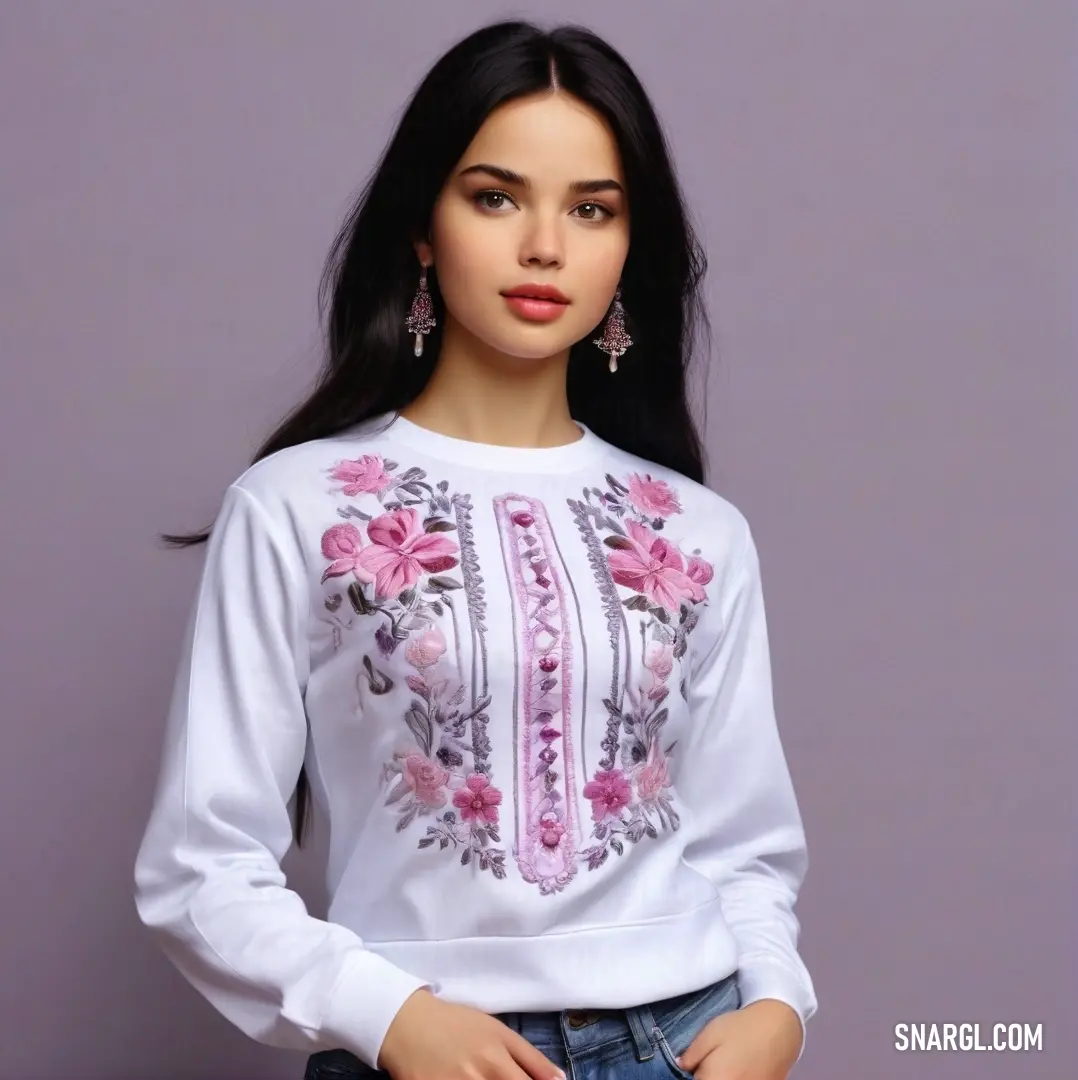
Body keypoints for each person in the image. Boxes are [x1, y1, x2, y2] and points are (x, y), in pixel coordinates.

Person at [133, 18, 817, 1080]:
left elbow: (745, 843)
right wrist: (390, 1015)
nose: (544, 245)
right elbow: (199, 865)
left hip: (686, 1045)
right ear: (423, 224)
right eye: (496, 197)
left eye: (591, 209)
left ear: (629, 247)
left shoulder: (694, 529)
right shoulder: (295, 507)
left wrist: (778, 1003)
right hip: (421, 1050)